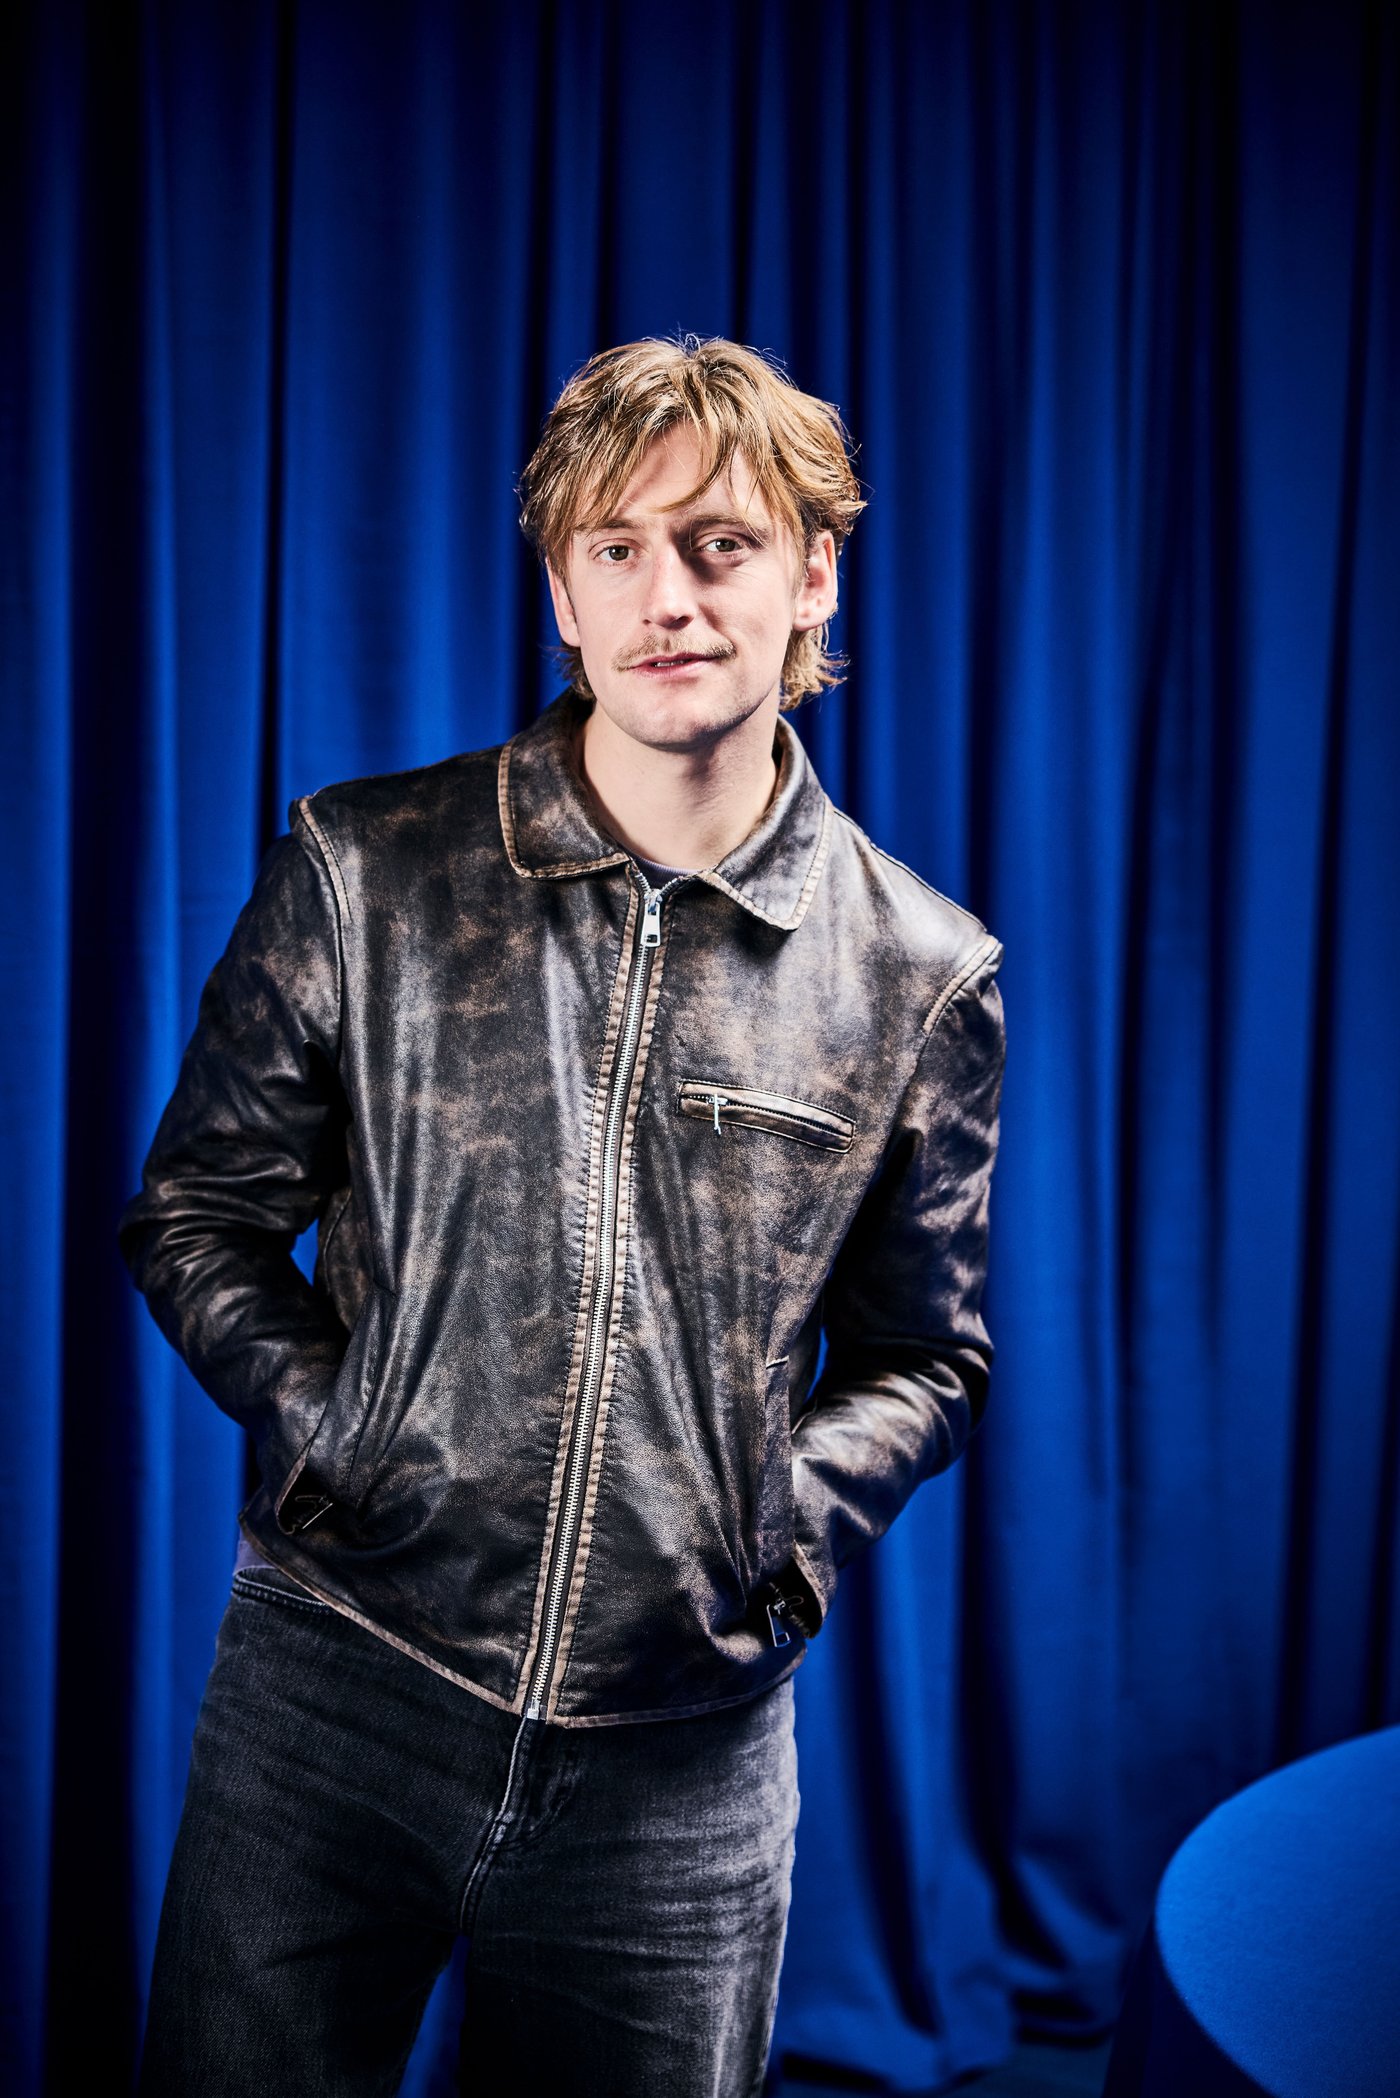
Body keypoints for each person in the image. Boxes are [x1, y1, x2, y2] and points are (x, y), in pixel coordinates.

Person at [120, 334, 1006, 2098]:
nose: (667, 594)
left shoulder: (919, 970)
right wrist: (346, 1426)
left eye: (718, 542)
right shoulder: (365, 869)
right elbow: (196, 1213)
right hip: (335, 1690)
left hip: (680, 1771)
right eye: (617, 548)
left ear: (814, 570)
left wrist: (776, 1522)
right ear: (561, 590)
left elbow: (930, 1356)